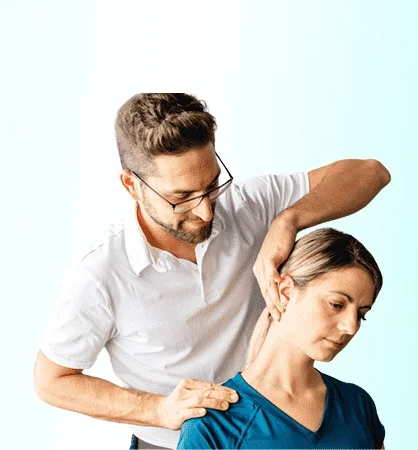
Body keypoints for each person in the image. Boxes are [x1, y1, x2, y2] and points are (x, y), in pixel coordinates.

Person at [33, 93, 390, 449]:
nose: (205, 211)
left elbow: (370, 173)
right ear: (132, 185)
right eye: (182, 196)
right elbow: (52, 381)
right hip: (171, 441)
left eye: (212, 185)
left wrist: (289, 219)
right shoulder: (100, 273)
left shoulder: (249, 205)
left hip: (274, 426)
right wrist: (160, 410)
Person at [178, 227, 386, 450]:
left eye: (361, 315)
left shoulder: (357, 405)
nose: (351, 327)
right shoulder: (214, 424)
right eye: (337, 305)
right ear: (286, 291)